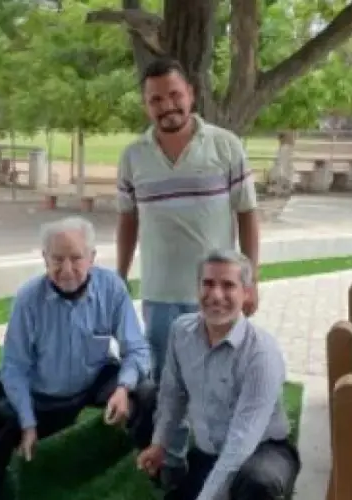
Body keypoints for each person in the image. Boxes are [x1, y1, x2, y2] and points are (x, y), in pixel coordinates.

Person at [115, 56, 262, 478]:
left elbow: (249, 213)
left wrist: (251, 281)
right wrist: (120, 278)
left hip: (219, 294)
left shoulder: (225, 145)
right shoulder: (133, 157)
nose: (167, 105)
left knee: (225, 381)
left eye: (174, 95)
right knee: (168, 386)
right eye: (155, 99)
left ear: (191, 95)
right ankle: (172, 464)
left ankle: (226, 464)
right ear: (146, 105)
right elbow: (128, 220)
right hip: (160, 293)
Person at [0, 216, 156, 500]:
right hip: (43, 394)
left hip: (96, 380)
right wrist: (27, 423)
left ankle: (151, 478)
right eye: (57, 259)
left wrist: (123, 388)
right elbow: (14, 368)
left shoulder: (112, 288)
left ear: (92, 258)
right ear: (45, 259)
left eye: (76, 258)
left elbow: (137, 349)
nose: (67, 269)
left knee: (148, 395)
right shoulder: (28, 298)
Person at [136, 249, 300, 500]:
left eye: (228, 285)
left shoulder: (261, 353)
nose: (215, 295)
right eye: (208, 283)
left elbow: (242, 440)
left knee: (257, 484)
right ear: (197, 288)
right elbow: (172, 395)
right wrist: (159, 444)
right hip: (210, 452)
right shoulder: (181, 332)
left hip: (263, 450)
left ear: (246, 293)